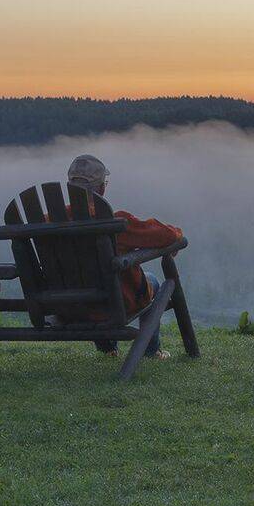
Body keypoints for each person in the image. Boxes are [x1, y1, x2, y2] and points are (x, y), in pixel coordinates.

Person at [65, 153, 183, 359]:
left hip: (67, 305)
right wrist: (177, 236)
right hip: (112, 305)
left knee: (93, 285)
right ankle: (151, 351)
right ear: (102, 188)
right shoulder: (114, 223)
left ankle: (108, 349)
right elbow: (166, 235)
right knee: (152, 281)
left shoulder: (47, 220)